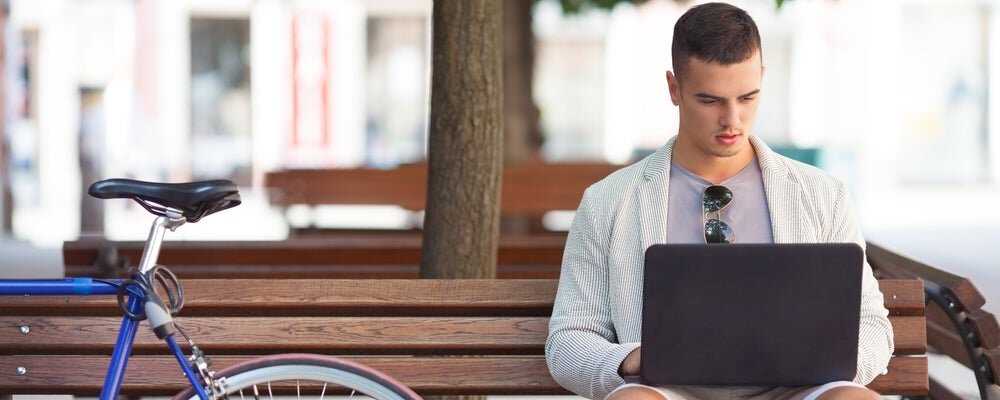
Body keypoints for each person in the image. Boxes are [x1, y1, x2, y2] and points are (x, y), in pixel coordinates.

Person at [544, 2, 894, 400]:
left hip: (796, 391)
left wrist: (823, 359)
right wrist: (634, 359)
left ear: (762, 78)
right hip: (665, 392)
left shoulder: (822, 195)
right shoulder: (608, 202)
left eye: (747, 97)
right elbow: (569, 339)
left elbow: (872, 326)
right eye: (710, 101)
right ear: (674, 89)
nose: (733, 120)